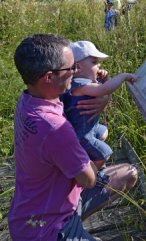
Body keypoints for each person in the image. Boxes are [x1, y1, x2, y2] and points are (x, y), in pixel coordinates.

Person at [10, 34, 138, 241]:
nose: (75, 72)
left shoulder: (30, 99)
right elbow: (89, 180)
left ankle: (78, 221)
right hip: (47, 229)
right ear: (49, 77)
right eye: (71, 68)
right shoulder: (55, 129)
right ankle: (74, 230)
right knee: (99, 172)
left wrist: (103, 98)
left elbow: (81, 95)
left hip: (33, 211)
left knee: (129, 174)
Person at [60, 40, 139, 171]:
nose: (99, 65)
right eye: (94, 62)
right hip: (81, 136)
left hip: (86, 128)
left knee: (103, 131)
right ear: (78, 67)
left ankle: (89, 159)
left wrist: (106, 79)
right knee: (105, 153)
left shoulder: (82, 82)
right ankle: (91, 176)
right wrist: (123, 76)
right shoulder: (79, 84)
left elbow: (103, 89)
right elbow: (104, 90)